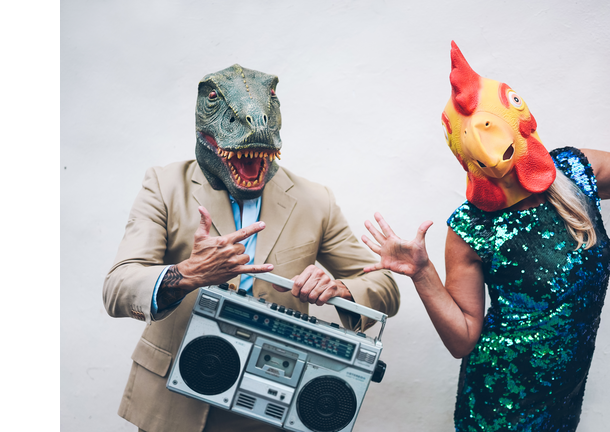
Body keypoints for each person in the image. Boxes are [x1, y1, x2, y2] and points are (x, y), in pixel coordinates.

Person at [361, 16, 610, 432]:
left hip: (562, 404)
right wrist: (422, 273)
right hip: (497, 408)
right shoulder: (470, 227)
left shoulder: (576, 172)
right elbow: (464, 338)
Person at [102, 64, 400, 432]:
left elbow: (385, 285)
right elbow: (118, 287)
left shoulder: (315, 200)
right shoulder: (164, 185)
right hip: (175, 400)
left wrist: (342, 290)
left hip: (276, 404)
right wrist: (187, 273)